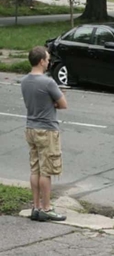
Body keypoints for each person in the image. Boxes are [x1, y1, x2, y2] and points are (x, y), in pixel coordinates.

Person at [21, 46, 68, 221]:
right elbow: (63, 104)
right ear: (41, 61)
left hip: (31, 127)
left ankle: (36, 206)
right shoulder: (48, 82)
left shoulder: (25, 81)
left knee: (35, 168)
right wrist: (56, 100)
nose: (49, 62)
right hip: (47, 129)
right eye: (47, 59)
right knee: (46, 171)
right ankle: (47, 208)